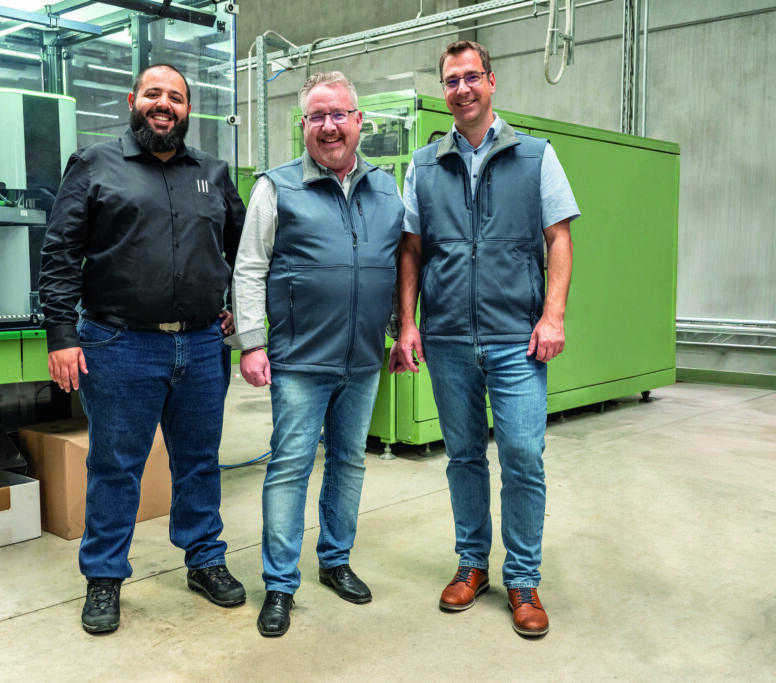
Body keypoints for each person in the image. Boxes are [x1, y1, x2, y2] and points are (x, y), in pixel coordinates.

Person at [38, 63, 246, 635]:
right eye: (153, 93)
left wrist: (234, 303)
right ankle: (104, 576)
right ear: (133, 100)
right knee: (115, 466)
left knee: (200, 461)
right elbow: (60, 252)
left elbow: (244, 249)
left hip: (201, 344)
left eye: (175, 97)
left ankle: (204, 559)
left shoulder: (212, 172)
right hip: (118, 343)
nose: (164, 104)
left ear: (187, 109)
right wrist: (61, 336)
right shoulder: (94, 164)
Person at [389, 40, 579, 638]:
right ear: (443, 90)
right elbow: (410, 250)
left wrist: (553, 317)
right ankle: (472, 564)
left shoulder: (536, 155)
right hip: (447, 337)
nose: (462, 89)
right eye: (452, 80)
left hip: (515, 337)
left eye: (472, 77)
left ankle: (522, 577)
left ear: (491, 82)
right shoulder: (424, 165)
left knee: (522, 455)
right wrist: (408, 323)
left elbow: (559, 239)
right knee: (464, 457)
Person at [228, 71, 404, 637]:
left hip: (363, 358)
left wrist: (402, 329)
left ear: (359, 121)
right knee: (290, 467)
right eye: (317, 116)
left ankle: (336, 560)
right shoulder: (276, 187)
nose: (329, 126)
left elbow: (398, 265)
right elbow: (249, 268)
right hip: (300, 359)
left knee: (349, 461)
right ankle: (280, 584)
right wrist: (252, 342)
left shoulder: (386, 189)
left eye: (339, 114)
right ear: (303, 124)